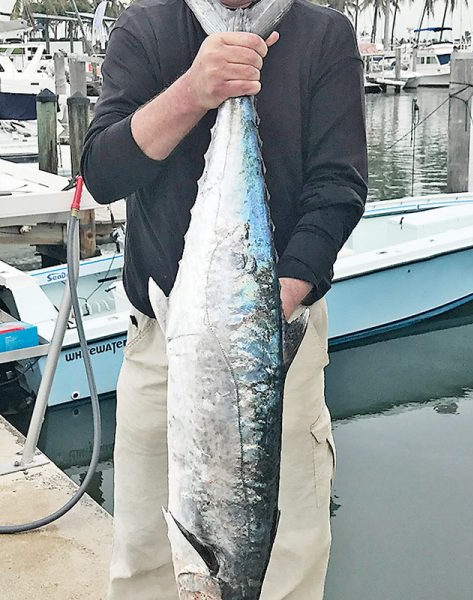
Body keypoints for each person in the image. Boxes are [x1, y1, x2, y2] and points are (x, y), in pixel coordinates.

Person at [81, 0, 367, 597]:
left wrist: (262, 312)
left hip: (274, 345)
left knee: (289, 557)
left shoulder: (324, 36)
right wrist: (195, 90)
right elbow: (102, 175)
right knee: (144, 557)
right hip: (163, 344)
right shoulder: (145, 29)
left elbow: (338, 188)